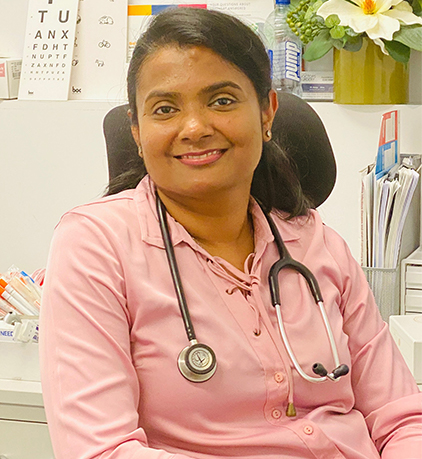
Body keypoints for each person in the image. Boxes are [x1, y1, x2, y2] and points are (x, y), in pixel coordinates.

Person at [39, 7, 422, 459]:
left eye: (221, 101)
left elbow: (401, 417)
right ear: (137, 132)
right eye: (165, 109)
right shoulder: (95, 246)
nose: (196, 128)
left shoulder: (315, 243)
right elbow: (102, 450)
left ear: (267, 112)